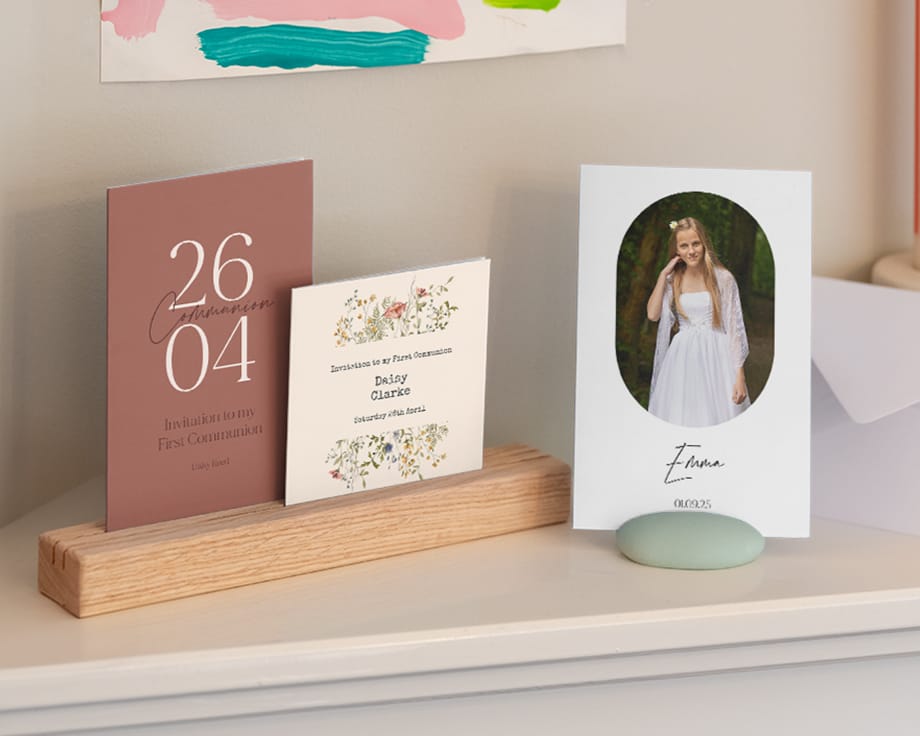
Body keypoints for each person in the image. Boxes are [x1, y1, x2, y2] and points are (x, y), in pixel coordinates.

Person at [645, 217, 750, 427]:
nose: (691, 251)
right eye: (684, 246)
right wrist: (663, 275)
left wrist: (740, 376)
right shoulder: (673, 280)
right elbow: (653, 315)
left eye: (696, 244)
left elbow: (735, 329)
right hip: (683, 359)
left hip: (717, 356)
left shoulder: (723, 278)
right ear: (676, 250)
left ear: (704, 244)